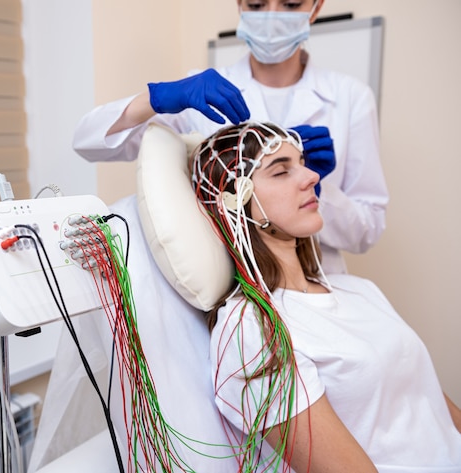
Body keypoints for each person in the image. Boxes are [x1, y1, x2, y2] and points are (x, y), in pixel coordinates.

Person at [190, 120, 461, 472]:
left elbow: (431, 404)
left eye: (301, 163)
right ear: (234, 201)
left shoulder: (358, 290)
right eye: (280, 171)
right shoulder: (252, 329)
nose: (311, 177)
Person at [73, 0, 388, 274]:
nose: (271, 16)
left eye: (291, 5)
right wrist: (156, 97)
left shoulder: (351, 98)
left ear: (316, 7)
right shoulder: (204, 93)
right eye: (256, 5)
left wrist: (317, 188)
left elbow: (368, 230)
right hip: (230, 285)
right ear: (239, 5)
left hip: (318, 279)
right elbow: (88, 141)